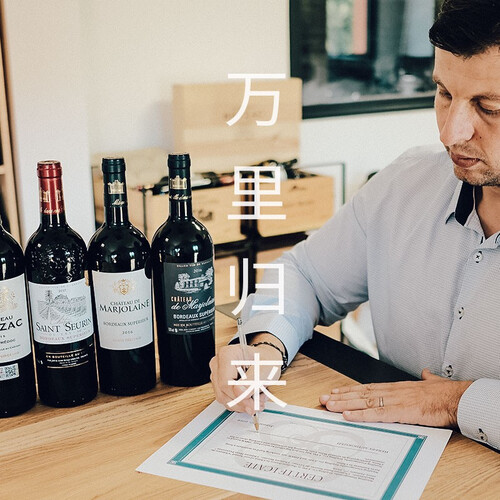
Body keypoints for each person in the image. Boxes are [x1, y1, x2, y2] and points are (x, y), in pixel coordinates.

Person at [210, 0, 500, 451]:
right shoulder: (406, 184)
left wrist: (458, 402)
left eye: (489, 107)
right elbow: (304, 276)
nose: (449, 132)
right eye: (444, 94)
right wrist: (266, 344)